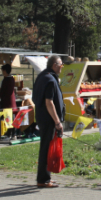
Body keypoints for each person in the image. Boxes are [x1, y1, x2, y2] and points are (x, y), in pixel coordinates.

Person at [34, 55, 64, 188]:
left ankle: (45, 177)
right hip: (48, 119)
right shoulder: (50, 80)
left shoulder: (42, 76)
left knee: (45, 148)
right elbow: (49, 102)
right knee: (46, 149)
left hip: (42, 118)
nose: (62, 67)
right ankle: (43, 180)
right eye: (61, 64)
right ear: (55, 65)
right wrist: (57, 122)